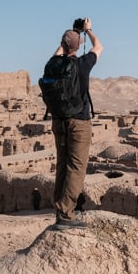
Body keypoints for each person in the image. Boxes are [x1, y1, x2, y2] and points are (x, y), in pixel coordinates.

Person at [50, 18, 103, 229]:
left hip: (58, 122)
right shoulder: (82, 65)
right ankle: (66, 213)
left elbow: (59, 52)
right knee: (76, 168)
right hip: (79, 122)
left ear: (62, 45)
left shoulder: (52, 64)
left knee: (62, 166)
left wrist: (71, 34)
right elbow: (99, 47)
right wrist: (88, 31)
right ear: (79, 45)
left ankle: (60, 210)